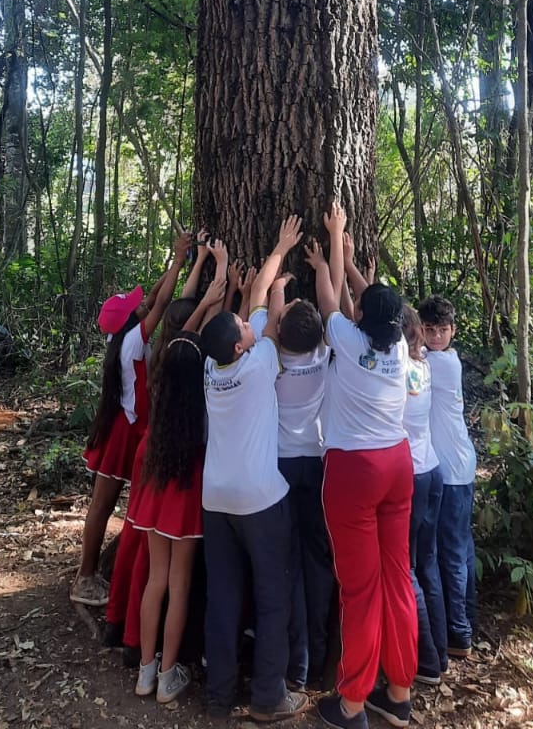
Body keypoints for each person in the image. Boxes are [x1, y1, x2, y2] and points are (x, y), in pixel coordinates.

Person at [200, 216, 309, 723]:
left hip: (215, 499)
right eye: (246, 328)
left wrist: (246, 297)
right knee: (272, 596)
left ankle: (218, 691)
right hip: (261, 500)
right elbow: (262, 294)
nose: (251, 323)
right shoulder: (262, 360)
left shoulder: (212, 367)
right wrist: (281, 246)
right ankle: (269, 695)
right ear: (244, 344)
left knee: (222, 596)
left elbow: (247, 311)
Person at [315, 203, 417, 729]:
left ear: (364, 319)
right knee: (398, 578)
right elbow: (365, 301)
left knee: (361, 588)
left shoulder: (348, 343)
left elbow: (332, 299)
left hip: (355, 472)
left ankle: (352, 703)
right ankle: (399, 692)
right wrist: (352, 259)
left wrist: (335, 238)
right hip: (398, 466)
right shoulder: (398, 345)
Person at [103, 241, 229, 651]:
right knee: (157, 562)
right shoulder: (190, 366)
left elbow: (182, 309)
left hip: (154, 455)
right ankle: (138, 638)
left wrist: (202, 273)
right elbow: (185, 313)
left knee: (143, 550)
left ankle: (127, 632)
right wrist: (222, 291)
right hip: (171, 462)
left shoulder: (163, 354)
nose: (147, 308)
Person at [71, 235, 191, 607]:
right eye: (135, 308)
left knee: (105, 504)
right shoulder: (134, 342)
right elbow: (164, 303)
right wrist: (178, 260)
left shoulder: (122, 338)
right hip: (128, 429)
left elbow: (155, 299)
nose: (143, 305)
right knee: (102, 504)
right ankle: (86, 577)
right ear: (129, 321)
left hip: (125, 425)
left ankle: (95, 574)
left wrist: (176, 262)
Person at [251, 264, 333, 689]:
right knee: (318, 558)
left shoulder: (273, 359)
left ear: (279, 330)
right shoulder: (322, 355)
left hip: (280, 467)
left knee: (287, 565)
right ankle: (318, 656)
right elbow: (332, 302)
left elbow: (263, 308)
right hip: (315, 464)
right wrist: (325, 264)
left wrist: (278, 283)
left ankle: (294, 662)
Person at [128, 329, 207, 703]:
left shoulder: (159, 408)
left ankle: (146, 671)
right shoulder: (202, 413)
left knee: (156, 579)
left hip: (157, 490)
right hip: (187, 495)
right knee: (180, 584)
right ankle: (168, 673)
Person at [417, 294, 477, 658]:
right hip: (460, 464)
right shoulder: (441, 358)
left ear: (453, 331)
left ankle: (459, 632)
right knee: (463, 549)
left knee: (453, 553)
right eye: (429, 329)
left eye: (442, 330)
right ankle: (467, 618)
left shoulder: (439, 362)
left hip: (452, 471)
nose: (436, 336)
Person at [400, 305, 447, 685]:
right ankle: (442, 651)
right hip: (432, 471)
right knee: (427, 565)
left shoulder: (397, 367)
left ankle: (428, 661)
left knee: (409, 569)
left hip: (413, 478)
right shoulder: (426, 361)